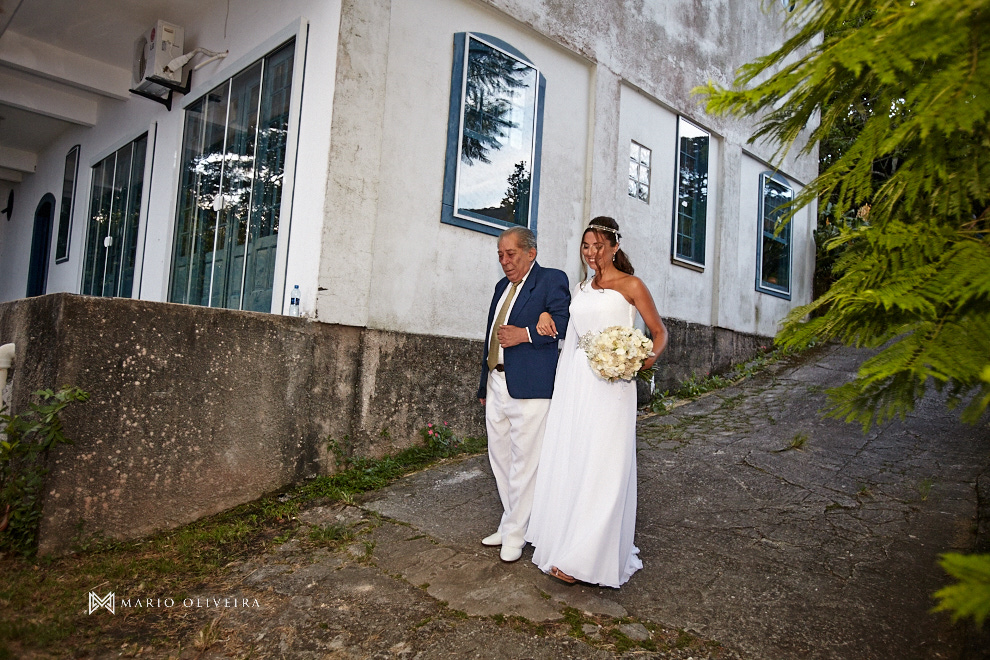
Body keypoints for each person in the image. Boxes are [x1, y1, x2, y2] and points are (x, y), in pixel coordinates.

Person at [526, 216, 668, 587]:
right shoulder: (581, 288)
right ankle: (567, 540)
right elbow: (571, 332)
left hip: (613, 385)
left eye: (599, 246)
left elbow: (659, 332)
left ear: (615, 247)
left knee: (606, 464)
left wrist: (637, 363)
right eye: (586, 246)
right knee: (577, 459)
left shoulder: (631, 285)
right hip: (577, 380)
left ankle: (587, 557)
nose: (592, 253)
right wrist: (544, 315)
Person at [478, 226, 571, 562]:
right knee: (500, 458)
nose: (504, 261)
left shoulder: (551, 279)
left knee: (525, 465)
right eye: (500, 255)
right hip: (497, 383)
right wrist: (483, 385)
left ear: (531, 252)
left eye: (511, 254)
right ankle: (511, 521)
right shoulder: (501, 287)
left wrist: (527, 333)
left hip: (531, 388)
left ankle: (517, 534)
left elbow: (564, 322)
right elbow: (490, 337)